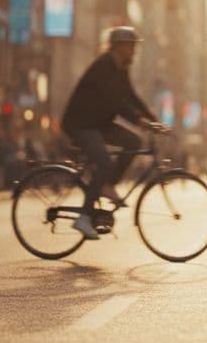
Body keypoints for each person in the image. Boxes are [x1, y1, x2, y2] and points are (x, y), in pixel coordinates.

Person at [60, 26, 169, 240]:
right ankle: (83, 217)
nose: (135, 51)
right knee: (104, 163)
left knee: (133, 141)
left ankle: (108, 185)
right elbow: (116, 103)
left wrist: (155, 120)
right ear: (119, 47)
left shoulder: (121, 68)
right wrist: (140, 121)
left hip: (99, 123)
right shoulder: (104, 66)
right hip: (81, 124)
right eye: (131, 46)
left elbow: (131, 96)